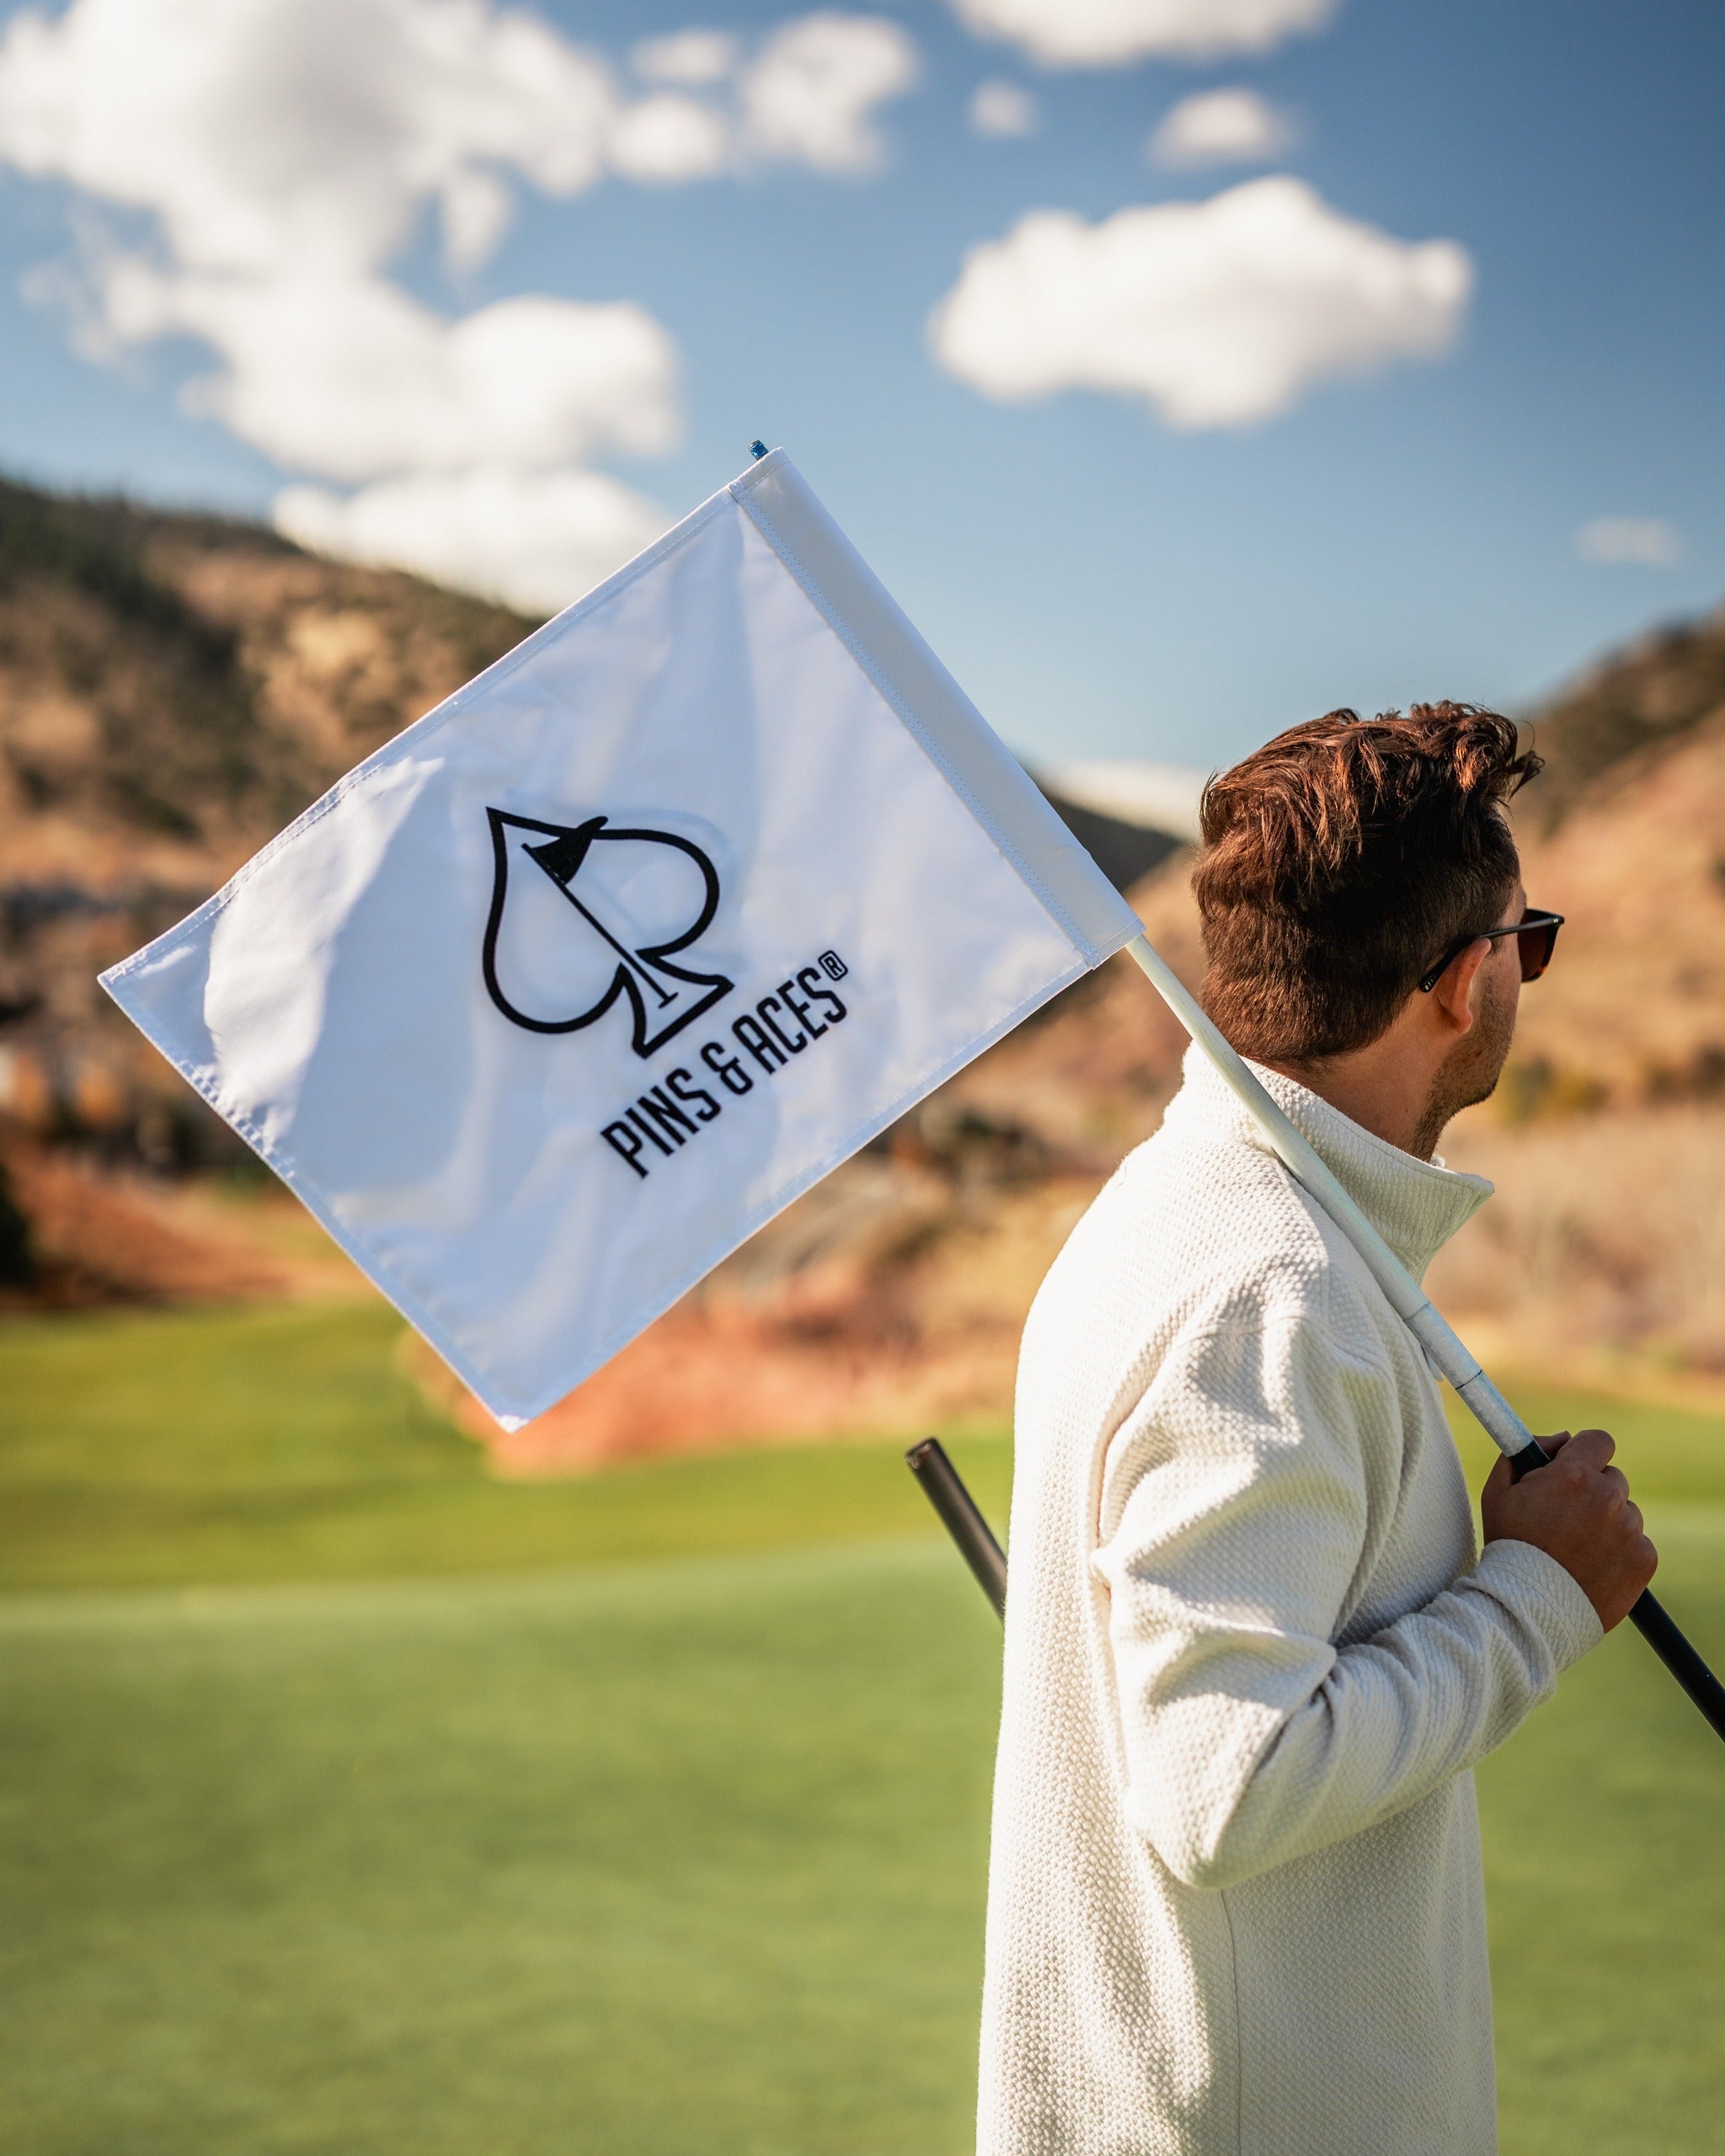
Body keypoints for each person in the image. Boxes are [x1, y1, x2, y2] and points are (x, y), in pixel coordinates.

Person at [978, 704, 1657, 2156]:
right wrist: (1539, 1601)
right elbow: (1229, 1788)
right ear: (1469, 980)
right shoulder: (1266, 1291)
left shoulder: (1200, 1226)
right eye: (1525, 941)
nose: (1524, 972)